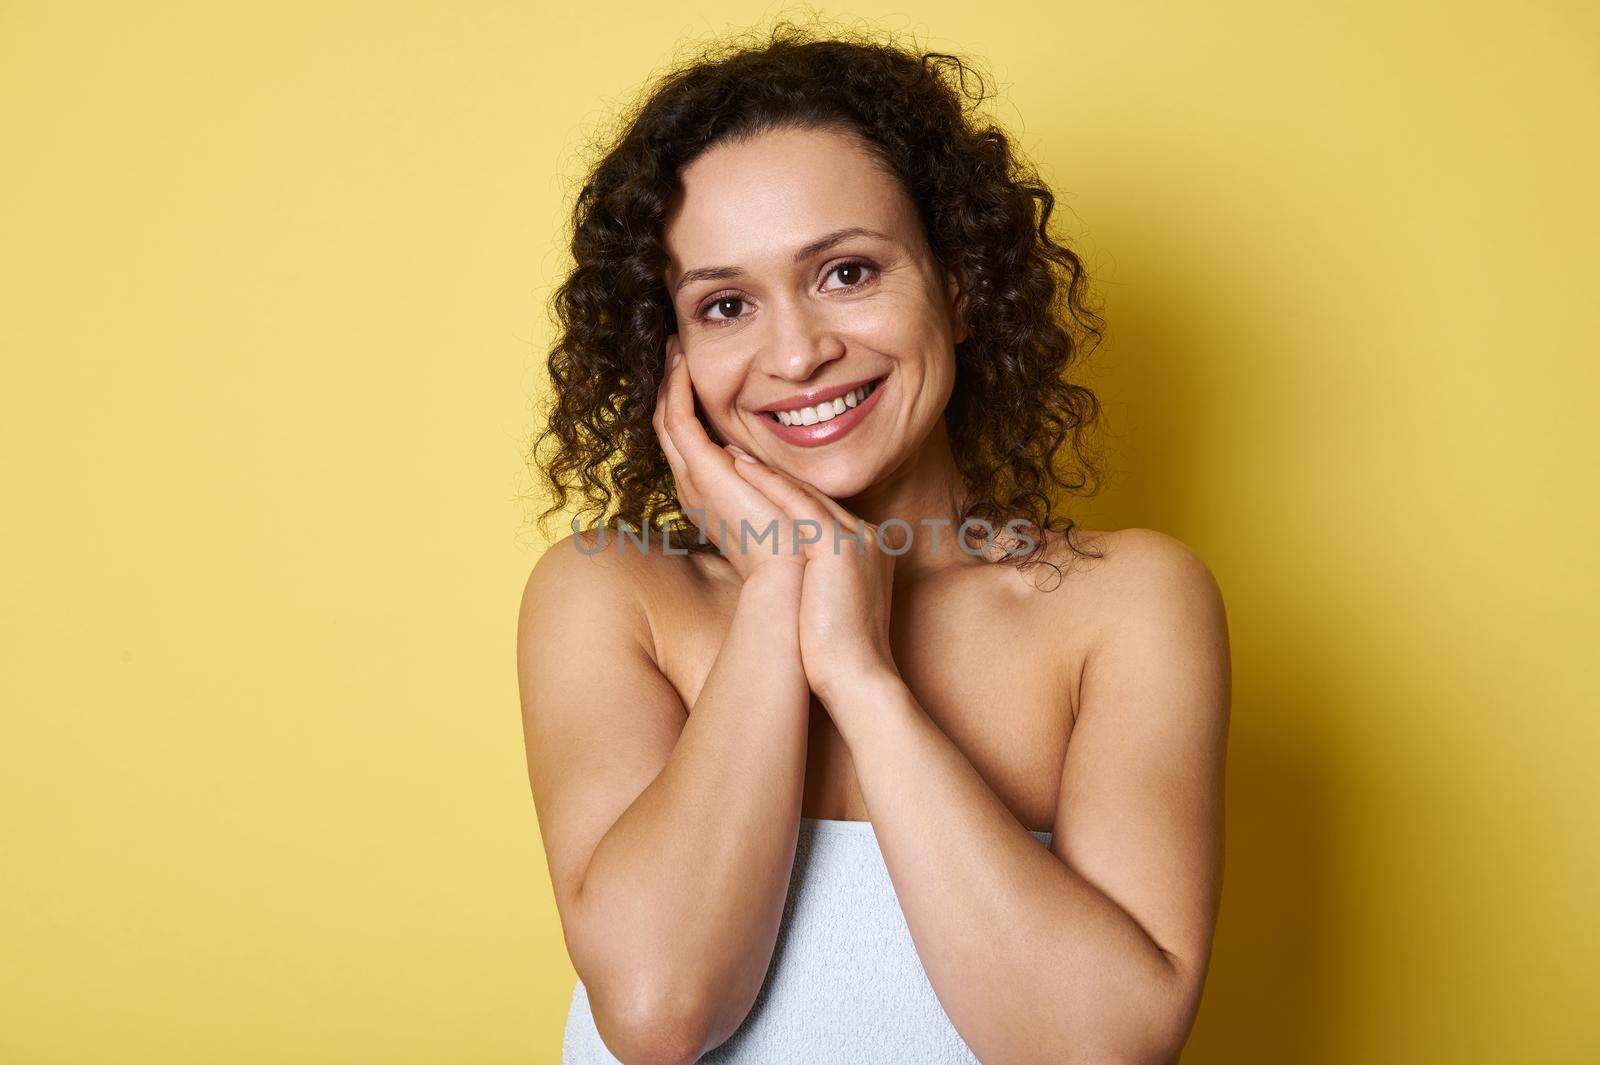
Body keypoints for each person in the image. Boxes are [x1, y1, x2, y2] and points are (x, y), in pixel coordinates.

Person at [517, 21, 1231, 1065]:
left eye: (846, 272)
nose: (798, 352)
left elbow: (1100, 1050)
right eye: (724, 305)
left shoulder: (1122, 602)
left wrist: (859, 673)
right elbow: (662, 1010)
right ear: (669, 359)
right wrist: (780, 591)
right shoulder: (610, 596)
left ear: (961, 284)